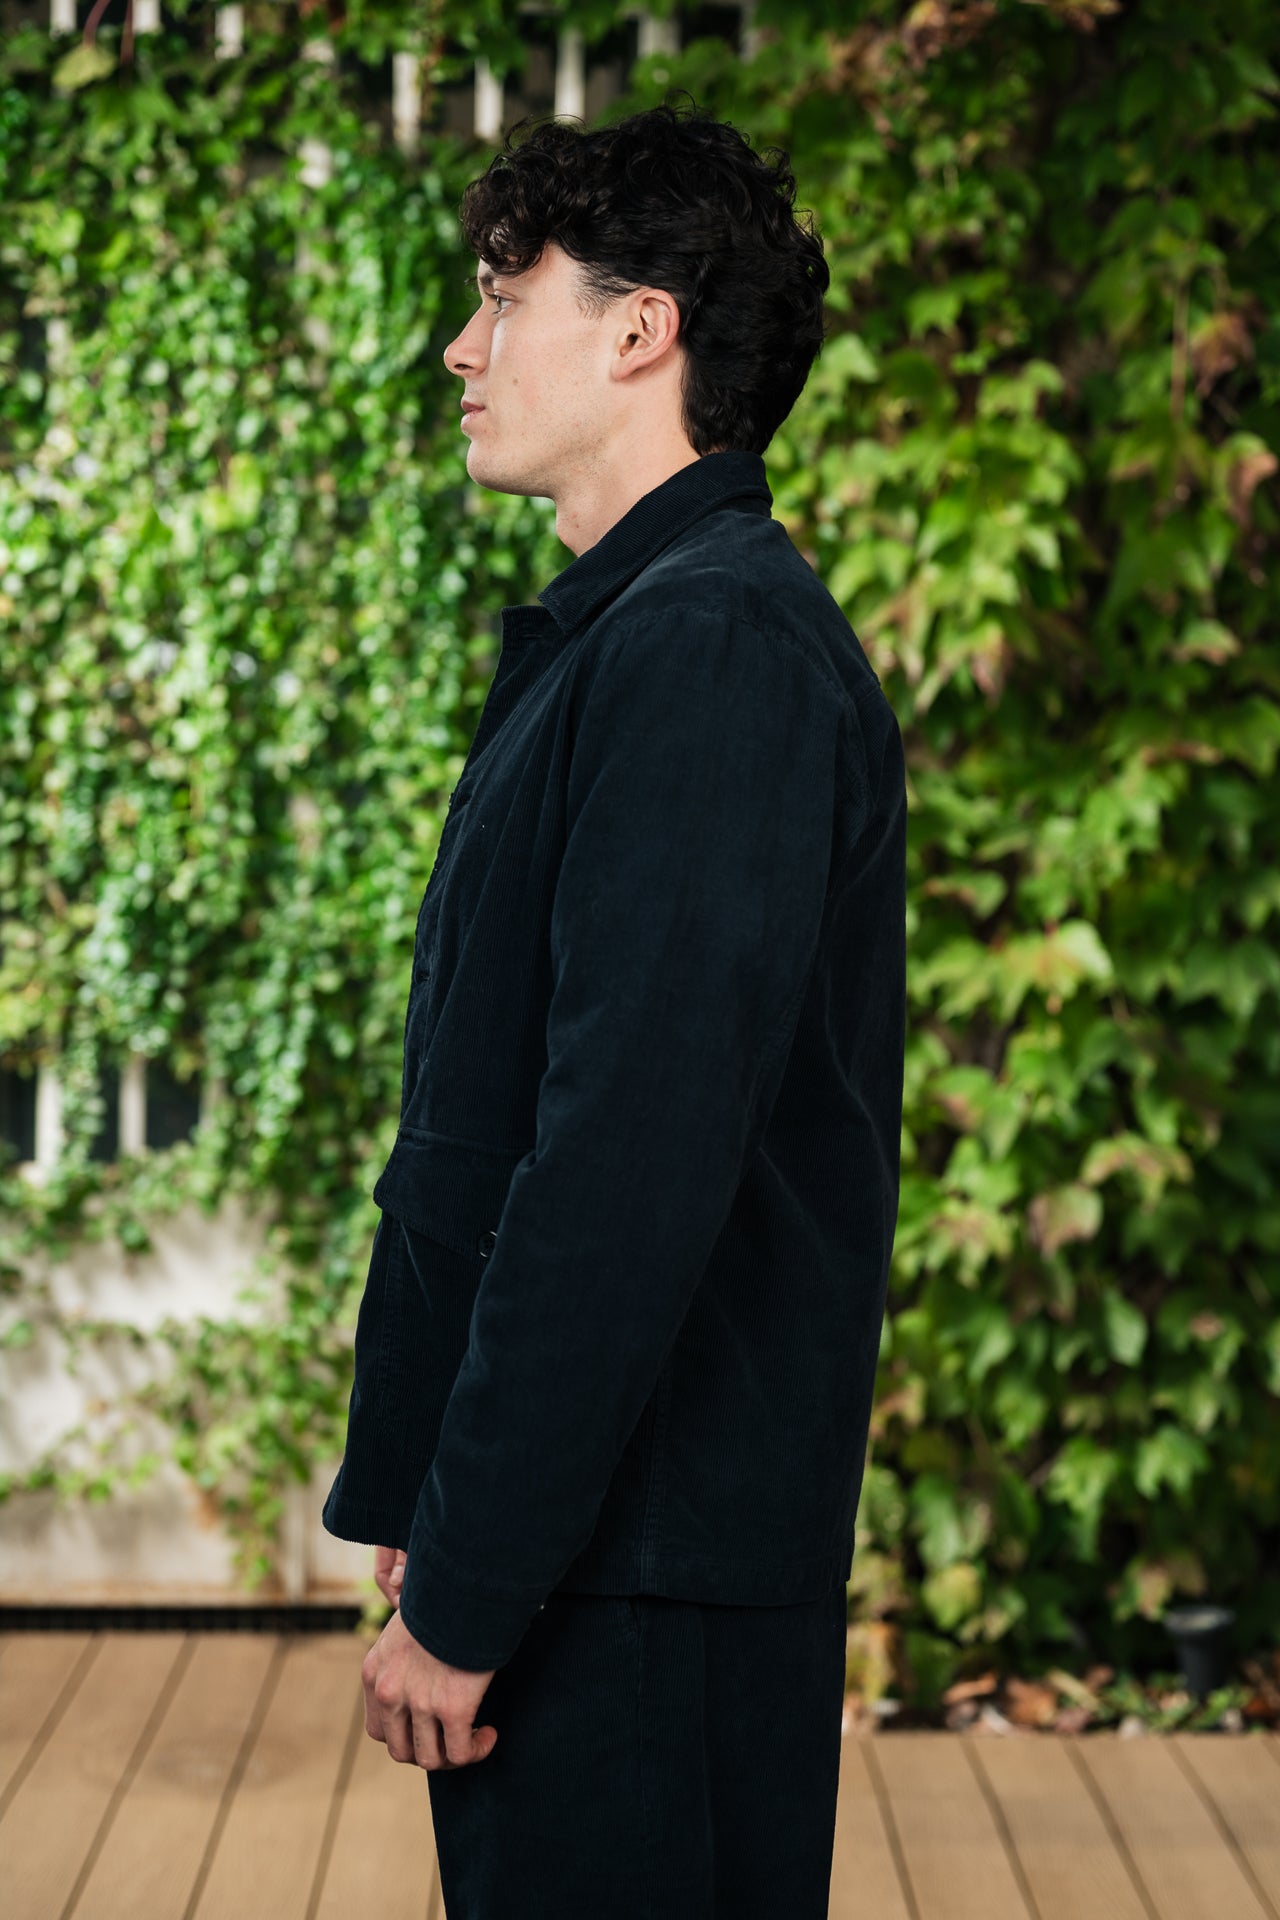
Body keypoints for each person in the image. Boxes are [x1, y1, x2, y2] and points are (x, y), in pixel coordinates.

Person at [320, 96, 907, 1919]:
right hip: (603, 1547)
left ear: (642, 328)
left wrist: (475, 1580)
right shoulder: (647, 629)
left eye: (506, 296)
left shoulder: (709, 648)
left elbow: (620, 1171)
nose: (463, 343)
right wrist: (441, 1499)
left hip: (639, 1567)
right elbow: (506, 1111)